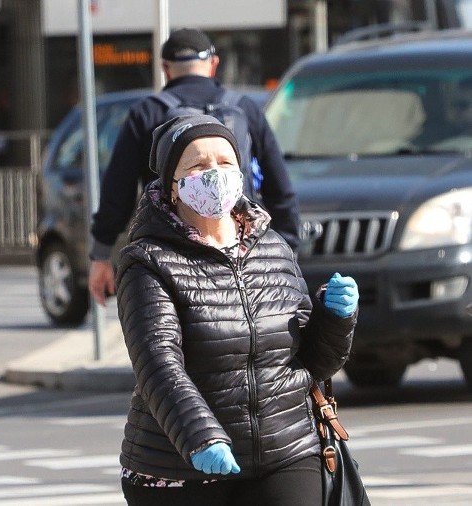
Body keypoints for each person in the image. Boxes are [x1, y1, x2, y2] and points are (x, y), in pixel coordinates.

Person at [115, 114, 358, 505]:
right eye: (197, 166)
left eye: (225, 163)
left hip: (286, 452)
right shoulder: (147, 262)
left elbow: (312, 363)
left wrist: (336, 319)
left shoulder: (273, 248)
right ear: (173, 187)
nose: (214, 174)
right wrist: (201, 436)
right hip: (182, 467)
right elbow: (158, 364)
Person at [89, 28, 300, 306]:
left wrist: (101, 254)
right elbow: (279, 188)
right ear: (214, 64)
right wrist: (286, 254)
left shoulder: (147, 113)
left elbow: (118, 190)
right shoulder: (246, 109)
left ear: (165, 68)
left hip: (171, 257)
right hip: (242, 250)